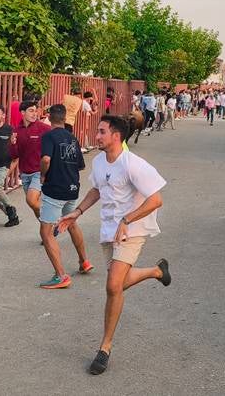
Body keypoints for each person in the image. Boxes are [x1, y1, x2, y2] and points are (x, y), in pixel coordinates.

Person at [56, 115, 170, 375]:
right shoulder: (98, 162)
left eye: (101, 132)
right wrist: (78, 212)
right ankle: (156, 271)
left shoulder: (133, 164)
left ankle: (104, 348)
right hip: (109, 230)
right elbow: (97, 190)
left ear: (116, 136)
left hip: (132, 229)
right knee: (117, 283)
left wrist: (127, 219)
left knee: (112, 286)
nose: (96, 136)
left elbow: (156, 200)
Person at [37, 104, 93, 289]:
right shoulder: (72, 138)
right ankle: (84, 261)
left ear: (49, 117)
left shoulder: (48, 136)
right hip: (72, 188)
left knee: (46, 233)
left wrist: (43, 174)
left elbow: (46, 159)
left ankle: (60, 275)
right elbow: (81, 166)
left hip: (55, 189)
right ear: (64, 118)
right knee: (71, 223)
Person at [9, 100, 51, 228]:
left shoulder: (44, 128)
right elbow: (14, 156)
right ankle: (48, 228)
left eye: (36, 111)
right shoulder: (16, 130)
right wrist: (12, 144)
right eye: (31, 111)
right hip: (25, 173)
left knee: (31, 200)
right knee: (33, 205)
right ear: (22, 112)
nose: (35, 114)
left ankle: (52, 221)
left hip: (39, 172)